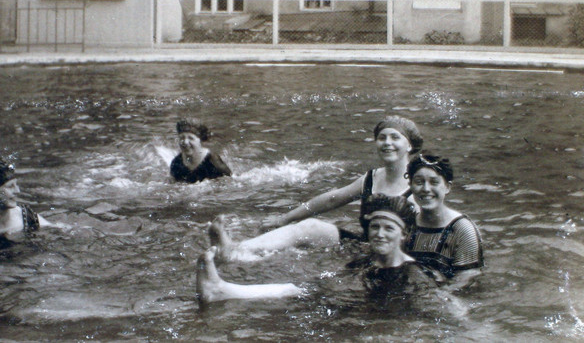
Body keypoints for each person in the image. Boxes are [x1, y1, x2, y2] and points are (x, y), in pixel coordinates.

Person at [209, 116, 422, 260]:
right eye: (382, 137)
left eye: (395, 137)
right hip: (367, 246)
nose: (387, 143)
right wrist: (284, 219)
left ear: (410, 145)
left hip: (397, 256)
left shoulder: (420, 184)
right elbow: (331, 199)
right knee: (309, 227)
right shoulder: (372, 177)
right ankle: (235, 250)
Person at [196, 194, 436, 303]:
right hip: (353, 302)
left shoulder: (413, 274)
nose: (379, 234)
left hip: (370, 316)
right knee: (295, 289)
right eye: (374, 227)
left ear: (404, 235)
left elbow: (439, 302)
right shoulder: (365, 261)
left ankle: (220, 290)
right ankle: (220, 287)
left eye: (388, 229)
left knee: (295, 291)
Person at [405, 154, 484, 290]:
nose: (426, 189)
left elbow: (468, 277)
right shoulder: (406, 224)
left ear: (447, 187)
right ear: (410, 186)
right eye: (419, 182)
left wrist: (432, 295)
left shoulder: (462, 229)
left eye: (434, 182)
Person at [170, 118, 232, 183]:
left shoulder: (214, 162)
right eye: (182, 138)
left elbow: (230, 182)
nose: (185, 142)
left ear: (200, 141)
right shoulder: (176, 163)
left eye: (191, 138)